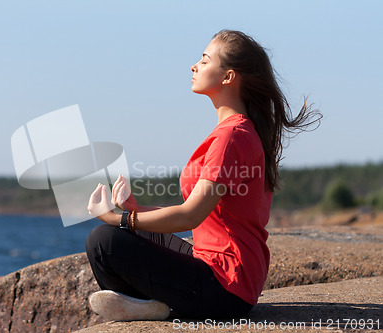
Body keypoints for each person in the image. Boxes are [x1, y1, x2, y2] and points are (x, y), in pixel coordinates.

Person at [85, 29, 321, 321]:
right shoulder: (236, 132)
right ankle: (150, 306)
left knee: (104, 241)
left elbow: (190, 215)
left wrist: (117, 218)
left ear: (228, 77)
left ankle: (152, 306)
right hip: (224, 277)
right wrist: (136, 210)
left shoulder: (232, 136)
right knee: (118, 236)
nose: (194, 66)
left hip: (224, 286)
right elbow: (203, 216)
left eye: (205, 60)